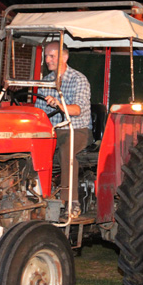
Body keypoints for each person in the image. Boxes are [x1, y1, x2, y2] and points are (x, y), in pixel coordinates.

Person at [34, 41, 92, 217]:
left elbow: (78, 109)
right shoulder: (45, 82)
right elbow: (39, 111)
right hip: (53, 130)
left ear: (65, 57)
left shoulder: (78, 79)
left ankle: (70, 202)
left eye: (52, 56)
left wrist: (59, 104)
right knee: (31, 147)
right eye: (46, 56)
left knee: (67, 149)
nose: (48, 60)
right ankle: (35, 195)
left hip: (77, 129)